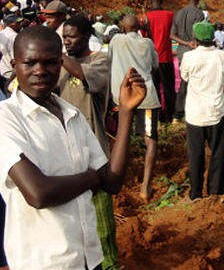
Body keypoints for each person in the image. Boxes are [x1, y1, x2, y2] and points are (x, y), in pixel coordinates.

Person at [0, 25, 145, 270]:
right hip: (45, 263)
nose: (40, 71)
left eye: (50, 63)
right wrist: (91, 178)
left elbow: (111, 182)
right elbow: (39, 193)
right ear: (15, 65)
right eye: (30, 63)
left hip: (88, 257)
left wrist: (126, 113)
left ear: (61, 63)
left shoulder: (71, 114)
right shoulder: (7, 118)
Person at [58, 15, 119, 270]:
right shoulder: (61, 65)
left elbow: (82, 74)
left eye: (71, 37)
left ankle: (110, 264)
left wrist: (56, 54)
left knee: (100, 219)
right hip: (64, 150)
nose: (67, 42)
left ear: (86, 36)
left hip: (93, 150)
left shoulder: (100, 60)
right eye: (64, 38)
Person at [109, 15, 160, 200]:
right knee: (150, 139)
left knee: (120, 136)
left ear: (123, 28)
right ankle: (145, 187)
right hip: (146, 97)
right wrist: (149, 32)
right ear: (140, 28)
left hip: (122, 98)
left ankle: (116, 177)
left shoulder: (116, 40)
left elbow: (110, 60)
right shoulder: (147, 43)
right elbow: (155, 65)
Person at [179, 21, 224, 200]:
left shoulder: (189, 57)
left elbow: (184, 76)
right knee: (217, 153)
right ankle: (215, 191)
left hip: (195, 114)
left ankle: (196, 193)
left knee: (196, 155)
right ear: (213, 38)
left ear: (195, 38)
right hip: (216, 111)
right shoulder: (222, 56)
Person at [171, 0, 205, 122]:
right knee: (195, 84)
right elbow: (197, 34)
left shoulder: (178, 13)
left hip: (181, 53)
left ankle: (178, 115)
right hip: (194, 53)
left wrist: (185, 43)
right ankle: (190, 113)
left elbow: (172, 35)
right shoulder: (199, 14)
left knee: (183, 83)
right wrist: (192, 43)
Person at [144, 0, 176, 124]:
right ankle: (171, 115)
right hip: (166, 58)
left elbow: (144, 38)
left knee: (154, 88)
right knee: (169, 88)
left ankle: (156, 117)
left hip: (151, 59)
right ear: (162, 2)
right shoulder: (170, 15)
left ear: (150, 2)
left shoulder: (146, 17)